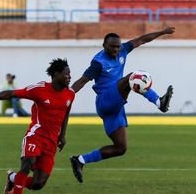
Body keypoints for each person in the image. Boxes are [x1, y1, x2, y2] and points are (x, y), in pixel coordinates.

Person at [69, 27, 175, 183]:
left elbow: (142, 39)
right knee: (132, 77)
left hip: (116, 107)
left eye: (118, 46)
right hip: (105, 100)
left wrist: (163, 32)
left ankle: (80, 160)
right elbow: (82, 81)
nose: (116, 49)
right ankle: (159, 102)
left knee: (120, 148)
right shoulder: (98, 62)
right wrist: (66, 96)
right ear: (104, 45)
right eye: (112, 47)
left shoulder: (123, 51)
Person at [0, 58, 74, 194]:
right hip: (35, 136)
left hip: (51, 142)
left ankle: (12, 178)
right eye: (67, 74)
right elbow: (12, 93)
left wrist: (62, 135)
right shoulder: (39, 89)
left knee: (38, 184)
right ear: (56, 74)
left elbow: (66, 113)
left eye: (70, 74)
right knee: (28, 164)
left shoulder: (70, 94)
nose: (69, 77)